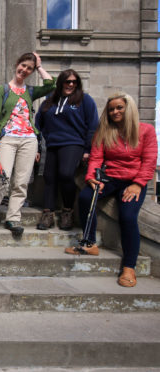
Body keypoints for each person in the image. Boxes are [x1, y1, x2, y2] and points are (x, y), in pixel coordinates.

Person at [65, 92, 157, 287]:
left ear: (128, 109)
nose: (115, 112)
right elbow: (96, 157)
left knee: (128, 216)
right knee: (85, 197)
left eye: (119, 108)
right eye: (112, 109)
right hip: (109, 178)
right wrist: (91, 178)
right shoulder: (104, 131)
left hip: (133, 180)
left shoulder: (146, 131)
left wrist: (138, 184)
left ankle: (129, 267)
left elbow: (149, 161)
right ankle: (89, 243)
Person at [0, 52, 55, 236]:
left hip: (29, 140)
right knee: (1, 179)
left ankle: (13, 218)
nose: (25, 70)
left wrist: (40, 66)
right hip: (7, 140)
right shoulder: (2, 90)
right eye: (23, 65)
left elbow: (51, 86)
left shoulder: (30, 91)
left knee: (21, 182)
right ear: (17, 64)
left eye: (29, 68)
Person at [35, 69, 99, 230]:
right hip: (52, 144)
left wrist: (87, 149)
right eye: (67, 81)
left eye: (74, 82)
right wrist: (43, 138)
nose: (71, 84)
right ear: (61, 82)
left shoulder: (85, 100)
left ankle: (67, 212)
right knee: (49, 177)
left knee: (66, 174)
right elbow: (39, 122)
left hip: (73, 143)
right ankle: (48, 213)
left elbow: (92, 126)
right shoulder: (50, 100)